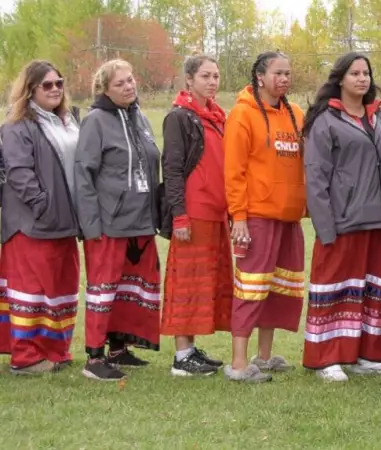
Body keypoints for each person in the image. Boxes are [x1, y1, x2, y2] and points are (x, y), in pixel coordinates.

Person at [302, 52, 381, 381]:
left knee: (375, 291)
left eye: (366, 73)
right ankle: (326, 358)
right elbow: (315, 179)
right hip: (343, 223)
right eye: (355, 73)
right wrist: (326, 228)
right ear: (340, 79)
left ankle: (369, 355)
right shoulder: (325, 121)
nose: (362, 78)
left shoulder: (380, 118)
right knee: (337, 291)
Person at [75, 59, 162, 381]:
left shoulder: (139, 117)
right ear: (104, 90)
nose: (129, 86)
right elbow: (83, 175)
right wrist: (90, 225)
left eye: (131, 79)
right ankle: (94, 358)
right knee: (103, 288)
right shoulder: (95, 121)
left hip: (140, 221)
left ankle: (119, 347)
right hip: (108, 223)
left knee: (131, 288)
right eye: (120, 83)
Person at [223, 51, 305, 383]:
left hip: (289, 219)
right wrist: (238, 217)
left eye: (288, 73)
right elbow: (234, 172)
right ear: (260, 76)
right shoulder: (242, 115)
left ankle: (265, 356)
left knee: (277, 288)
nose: (284, 79)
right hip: (256, 216)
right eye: (277, 73)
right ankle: (239, 364)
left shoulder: (296, 113)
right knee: (251, 287)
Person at [0, 60, 81, 375]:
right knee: (31, 291)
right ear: (30, 89)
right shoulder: (18, 126)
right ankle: (26, 357)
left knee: (61, 288)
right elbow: (19, 173)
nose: (55, 89)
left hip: (67, 221)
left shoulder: (68, 121)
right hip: (32, 223)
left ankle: (55, 350)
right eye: (47, 85)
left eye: (59, 83)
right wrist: (42, 205)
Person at [160, 55, 231, 377]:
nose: (212, 82)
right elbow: (172, 169)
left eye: (216, 76)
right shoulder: (179, 117)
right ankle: (181, 356)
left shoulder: (217, 117)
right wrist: (180, 216)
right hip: (194, 210)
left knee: (206, 283)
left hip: (216, 212)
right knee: (186, 283)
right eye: (205, 76)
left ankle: (191, 350)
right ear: (189, 80)